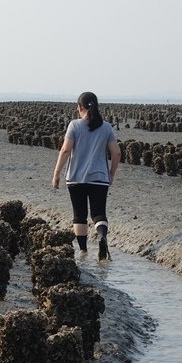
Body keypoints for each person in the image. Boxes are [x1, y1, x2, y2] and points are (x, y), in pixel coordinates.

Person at [52, 92, 121, 261]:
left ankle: (83, 252)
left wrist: (56, 174)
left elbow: (65, 150)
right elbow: (117, 153)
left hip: (76, 178)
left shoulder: (74, 125)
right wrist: (111, 174)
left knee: (79, 215)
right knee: (98, 213)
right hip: (99, 178)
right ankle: (102, 237)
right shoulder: (106, 127)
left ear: (80, 107)